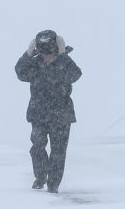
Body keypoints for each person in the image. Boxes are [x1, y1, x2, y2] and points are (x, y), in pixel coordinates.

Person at [15, 30, 82, 193]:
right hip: (39, 113)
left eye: (50, 52)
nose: (47, 56)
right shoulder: (35, 64)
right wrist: (28, 53)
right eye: (43, 52)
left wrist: (62, 55)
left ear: (56, 50)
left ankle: (53, 185)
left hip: (62, 115)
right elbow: (20, 73)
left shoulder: (64, 63)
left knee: (58, 152)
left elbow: (75, 74)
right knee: (37, 147)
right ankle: (40, 176)